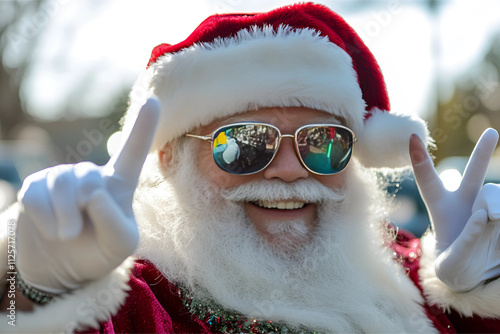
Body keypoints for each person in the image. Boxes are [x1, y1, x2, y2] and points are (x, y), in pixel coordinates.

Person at [1, 3, 500, 333]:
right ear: (171, 157)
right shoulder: (137, 297)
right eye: (244, 143)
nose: (287, 170)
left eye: (322, 143)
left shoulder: (420, 277)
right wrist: (36, 291)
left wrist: (481, 300)